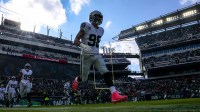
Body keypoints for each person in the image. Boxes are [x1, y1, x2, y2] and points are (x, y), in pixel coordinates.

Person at [72, 10, 128, 103]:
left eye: (100, 17)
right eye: (96, 16)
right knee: (84, 78)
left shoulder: (101, 30)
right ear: (91, 17)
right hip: (86, 56)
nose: (98, 18)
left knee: (106, 72)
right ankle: (77, 80)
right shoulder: (86, 25)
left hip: (96, 55)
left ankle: (114, 94)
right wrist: (84, 46)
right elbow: (75, 40)